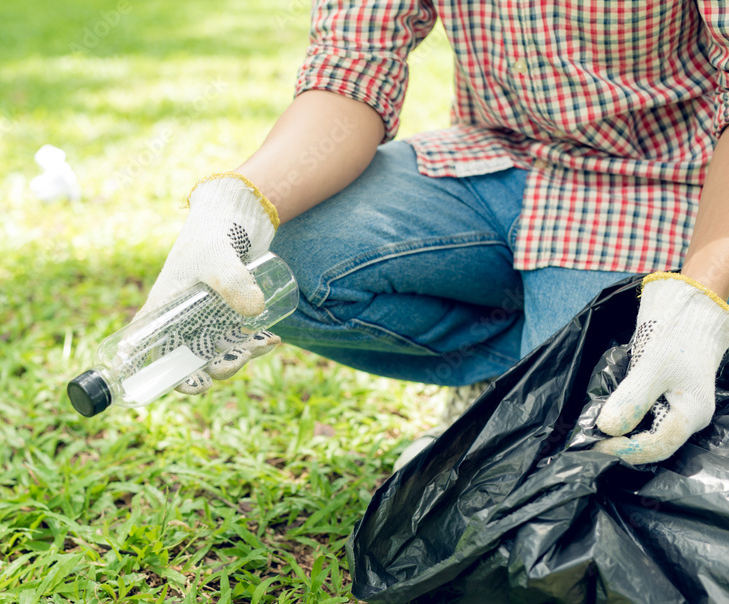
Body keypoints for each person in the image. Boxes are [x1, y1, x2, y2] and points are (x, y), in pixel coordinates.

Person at [136, 0, 729, 466]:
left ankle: (595, 354)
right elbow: (352, 67)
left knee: (578, 453)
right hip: (493, 159)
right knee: (278, 262)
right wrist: (238, 202)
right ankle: (506, 378)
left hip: (659, 180)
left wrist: (702, 292)